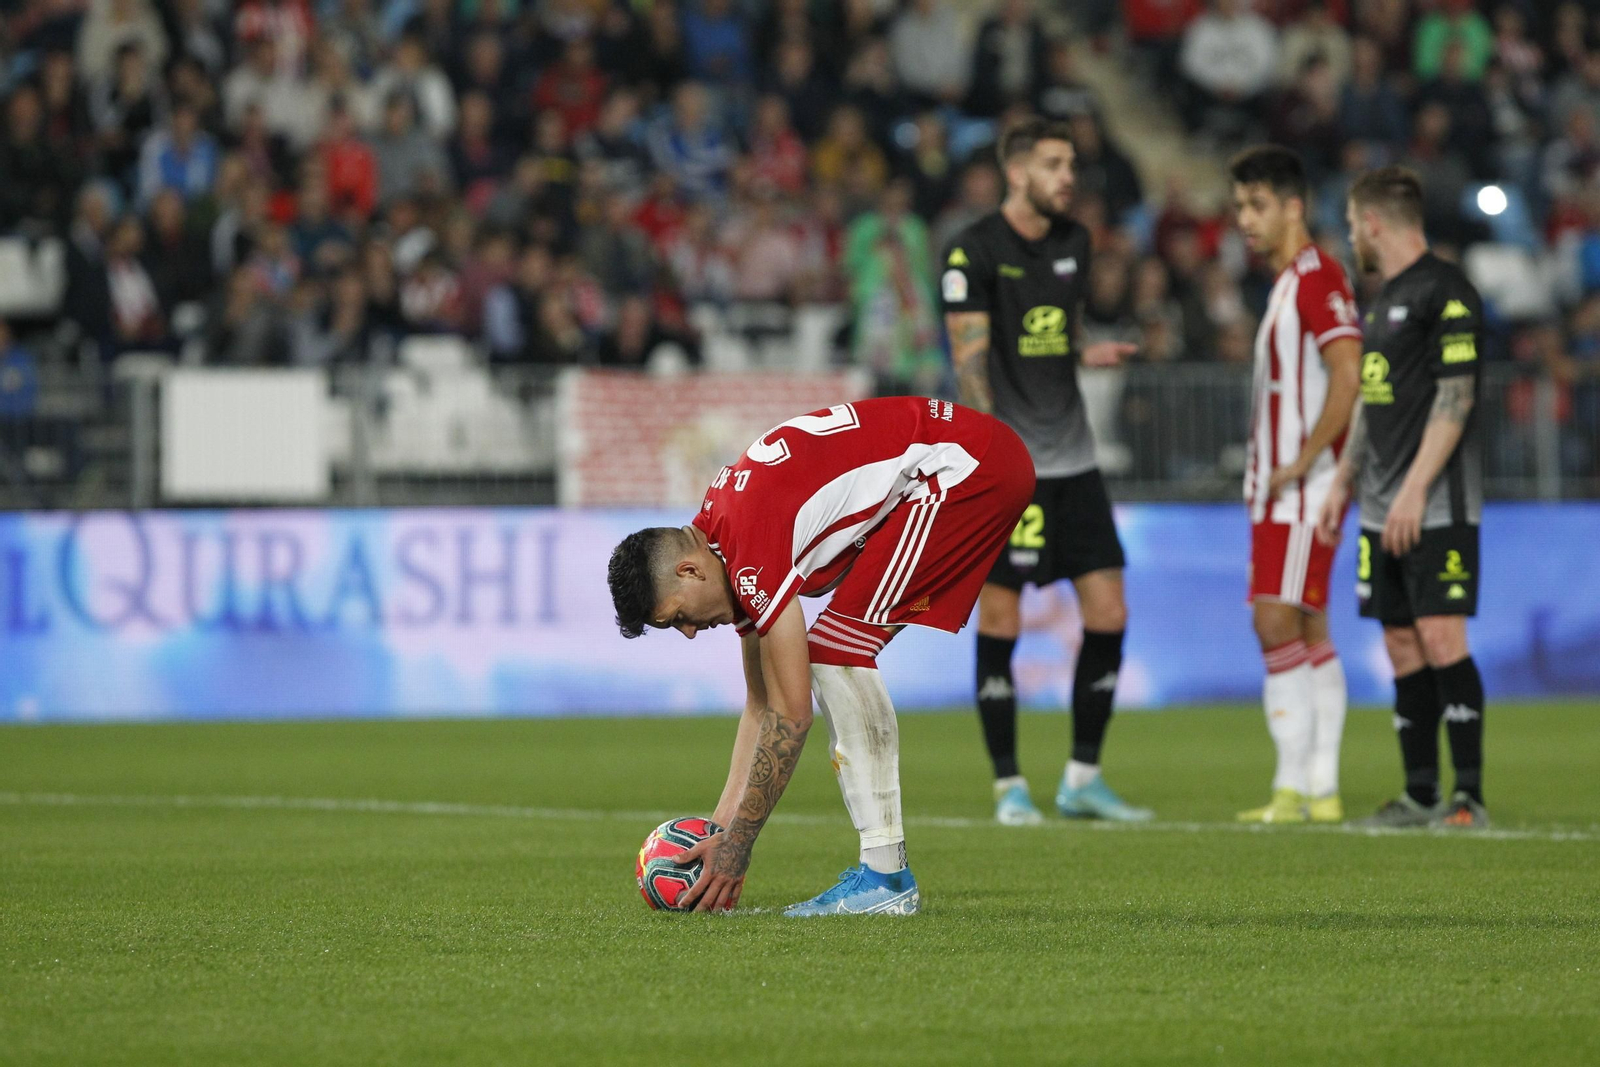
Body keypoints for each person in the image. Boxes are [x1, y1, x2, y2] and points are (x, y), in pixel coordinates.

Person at [607, 396, 1035, 914]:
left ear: (689, 572)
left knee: (835, 652)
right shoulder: (725, 540)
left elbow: (792, 716)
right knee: (834, 649)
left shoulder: (748, 546)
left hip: (966, 469)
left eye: (679, 617)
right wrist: (719, 832)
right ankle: (885, 876)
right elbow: (762, 705)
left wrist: (737, 848)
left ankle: (886, 878)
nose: (691, 633)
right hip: (967, 460)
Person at [939, 117, 1149, 826]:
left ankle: (1083, 776)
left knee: (1110, 611)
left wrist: (1084, 352)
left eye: (1071, 164)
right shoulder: (973, 251)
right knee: (1002, 614)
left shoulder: (1075, 242)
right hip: (1014, 466)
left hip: (1076, 459)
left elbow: (1060, 326)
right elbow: (970, 362)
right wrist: (990, 462)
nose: (1068, 177)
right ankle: (1009, 785)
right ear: (1017, 171)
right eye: (1055, 164)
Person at [1318, 166, 1489, 829]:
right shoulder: (1383, 300)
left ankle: (1467, 796)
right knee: (1400, 643)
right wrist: (1344, 478)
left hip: (1434, 502)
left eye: (1352, 224)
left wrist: (1415, 490)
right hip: (1380, 504)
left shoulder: (1447, 290)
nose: (1351, 236)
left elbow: (1457, 396)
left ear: (1373, 223)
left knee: (1442, 635)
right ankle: (1420, 793)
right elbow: (1374, 394)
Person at [1229, 146, 1362, 824]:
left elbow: (1349, 371)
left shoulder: (1316, 275)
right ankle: (1318, 789)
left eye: (1256, 205)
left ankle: (1296, 785)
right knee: (1305, 624)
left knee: (1273, 617)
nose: (1244, 220)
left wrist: (1306, 460)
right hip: (1283, 489)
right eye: (1239, 207)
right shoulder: (1288, 282)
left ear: (1293, 207)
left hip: (1303, 490)